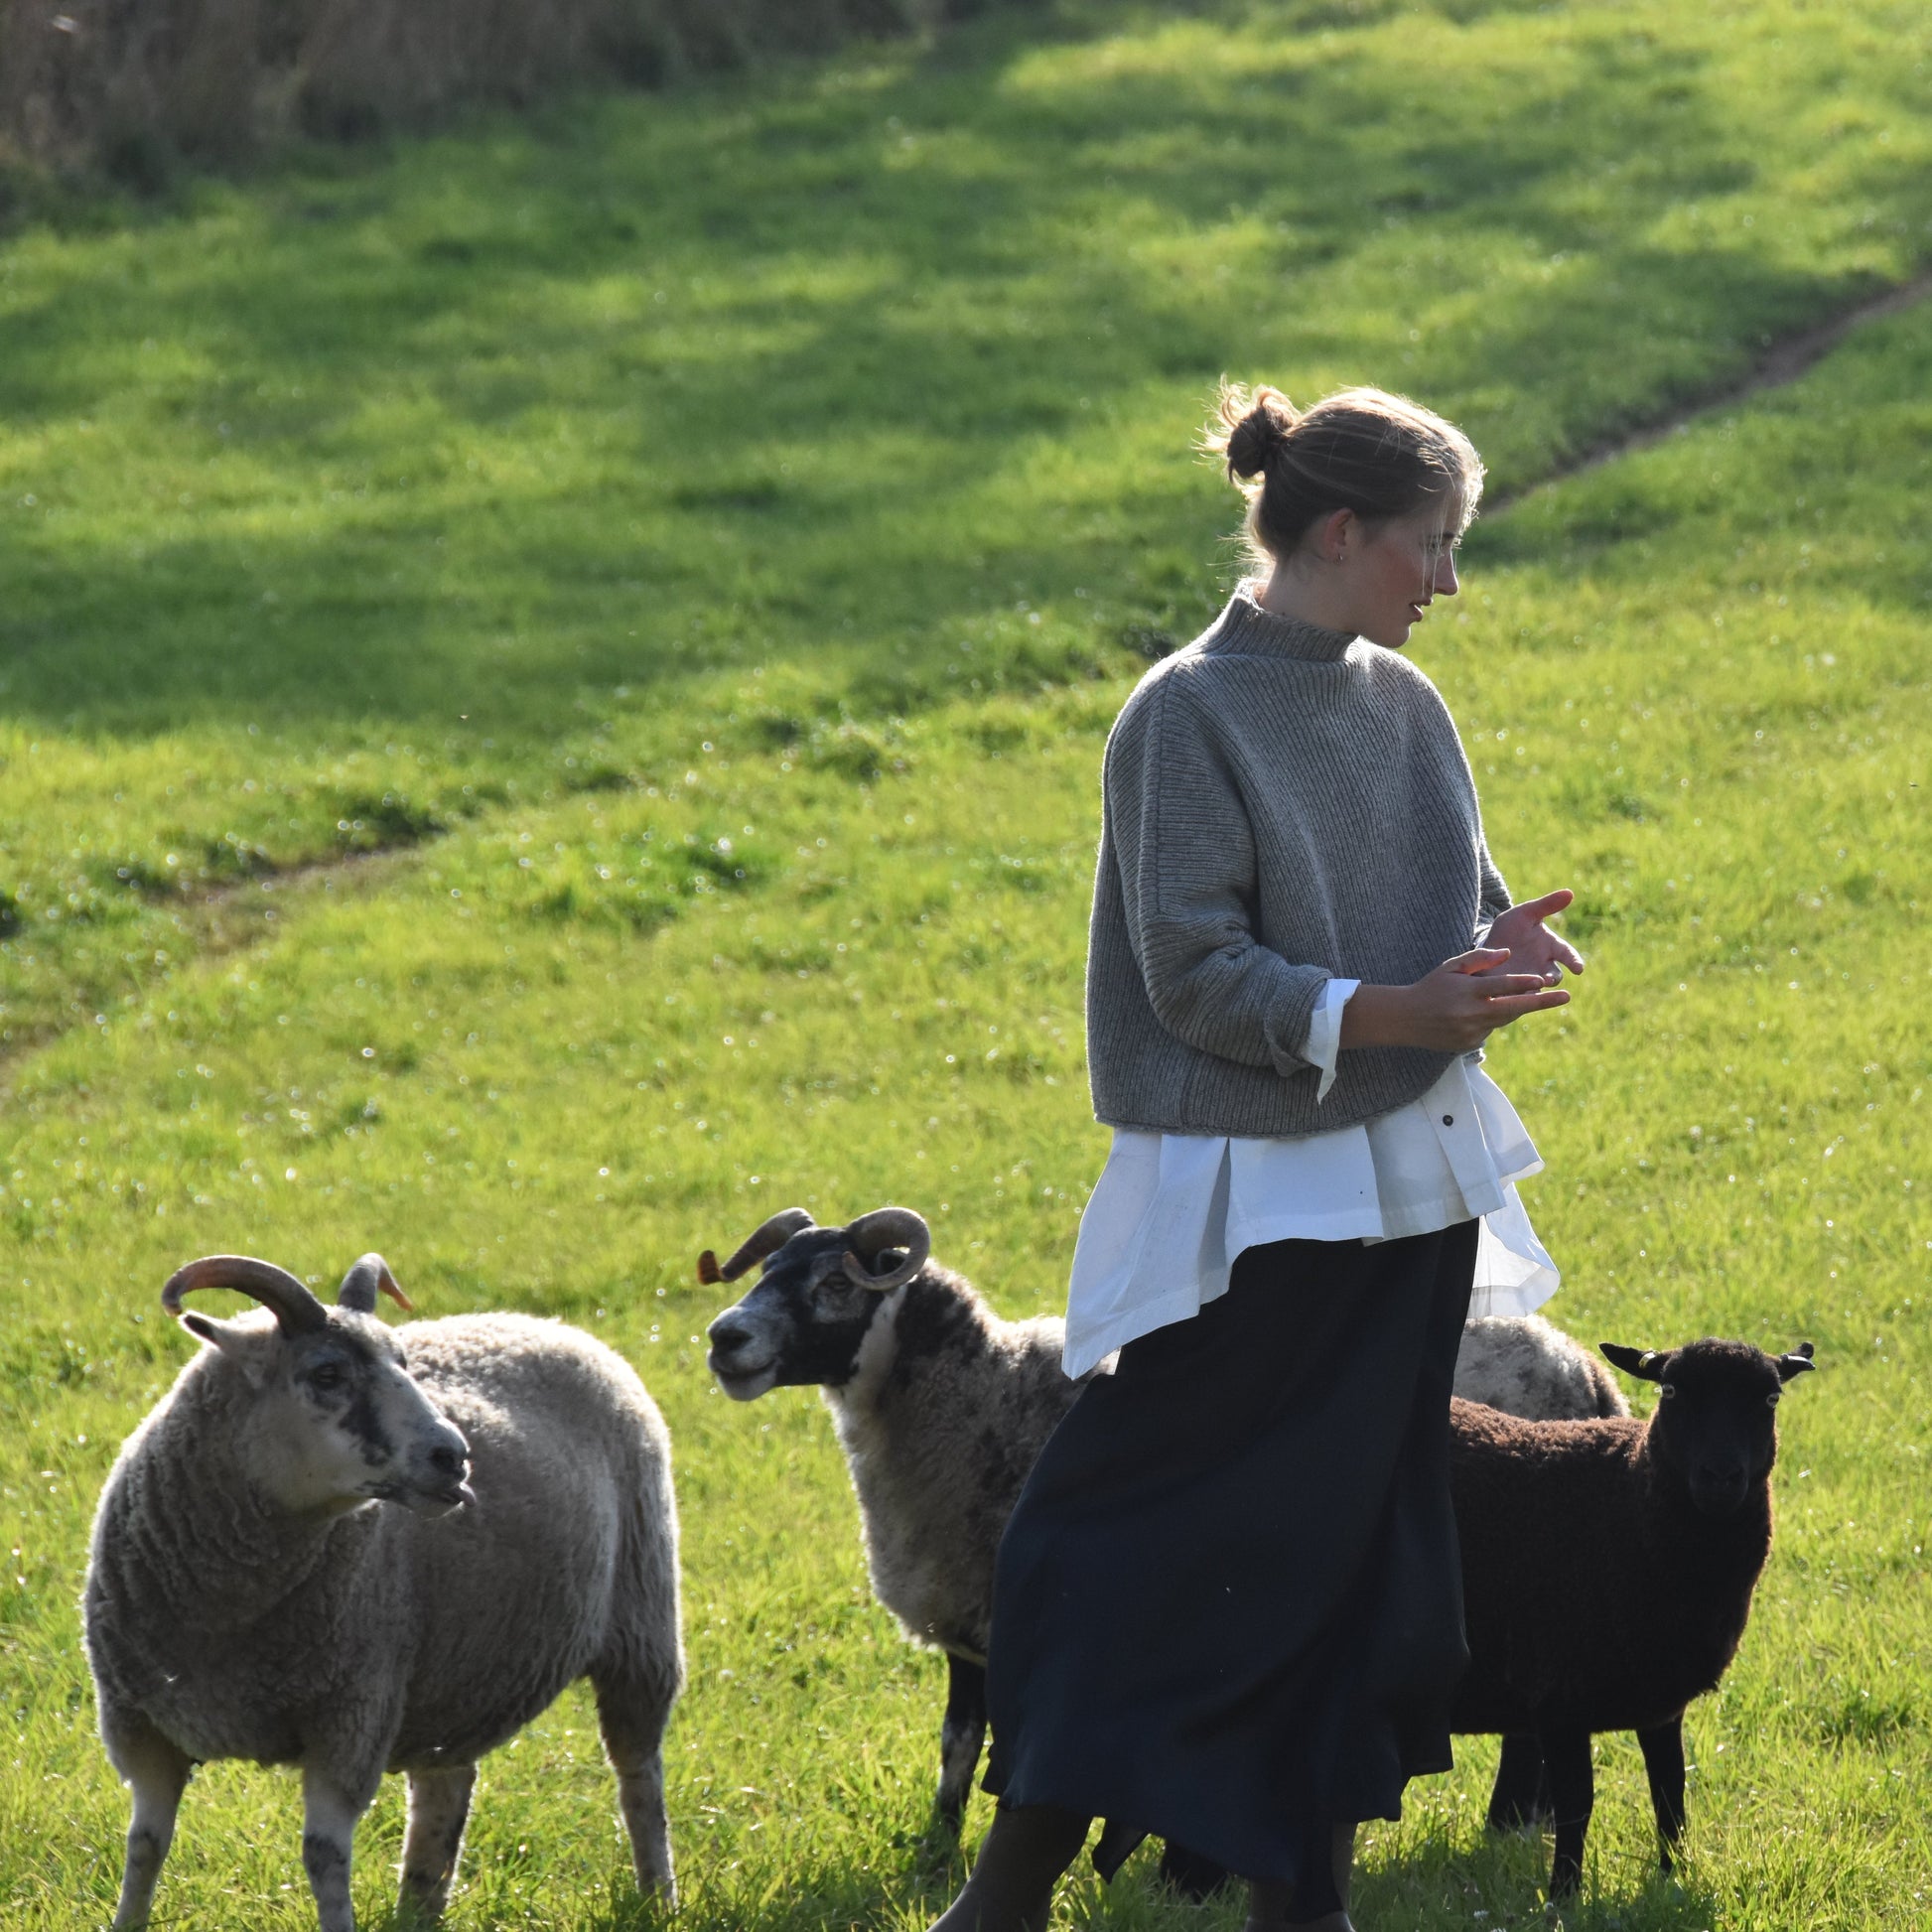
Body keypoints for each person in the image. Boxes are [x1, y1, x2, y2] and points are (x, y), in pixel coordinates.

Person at [924, 384, 1585, 1932]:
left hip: (1407, 1196)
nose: (1446, 580)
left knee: (1354, 1553)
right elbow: (1193, 973)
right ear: (1339, 530)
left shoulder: (1407, 705)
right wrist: (1395, 1008)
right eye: (1430, 543)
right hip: (1250, 1210)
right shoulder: (1183, 713)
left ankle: (1307, 1904)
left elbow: (1448, 903)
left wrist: (1489, 953)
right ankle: (1000, 1905)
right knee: (1119, 1540)